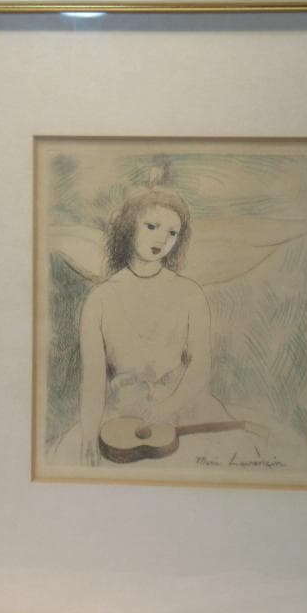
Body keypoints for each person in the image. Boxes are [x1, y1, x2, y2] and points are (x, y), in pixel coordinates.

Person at [72, 189, 231, 466]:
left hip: (183, 410)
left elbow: (200, 367)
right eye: (152, 226)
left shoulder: (190, 293)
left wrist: (166, 408)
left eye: (172, 232)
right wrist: (88, 435)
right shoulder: (100, 299)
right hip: (122, 418)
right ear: (128, 227)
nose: (162, 239)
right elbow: (93, 379)